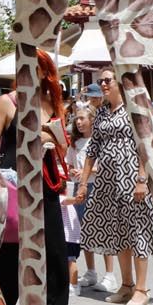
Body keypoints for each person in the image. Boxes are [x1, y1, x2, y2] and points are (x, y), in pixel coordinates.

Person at [0, 51, 72, 305]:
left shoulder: (51, 103)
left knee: (57, 257)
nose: (25, 72)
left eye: (32, 68)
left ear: (42, 71)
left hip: (46, 186)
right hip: (14, 188)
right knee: (9, 256)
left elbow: (63, 144)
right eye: (21, 67)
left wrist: (56, 139)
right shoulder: (7, 103)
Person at [78, 70, 153, 305]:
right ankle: (126, 284)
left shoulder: (133, 110)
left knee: (136, 232)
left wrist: (141, 178)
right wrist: (84, 183)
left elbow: (145, 145)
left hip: (130, 178)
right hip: (107, 181)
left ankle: (141, 288)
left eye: (108, 80)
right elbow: (92, 149)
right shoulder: (102, 113)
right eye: (101, 81)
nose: (103, 84)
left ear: (119, 84)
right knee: (118, 232)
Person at [64, 101, 96, 290]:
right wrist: (74, 172)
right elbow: (69, 166)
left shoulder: (97, 142)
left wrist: (86, 171)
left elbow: (104, 166)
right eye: (77, 119)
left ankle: (110, 274)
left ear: (92, 120)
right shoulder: (74, 144)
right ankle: (90, 271)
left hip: (95, 187)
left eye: (82, 118)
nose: (79, 122)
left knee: (98, 230)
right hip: (78, 189)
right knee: (81, 231)